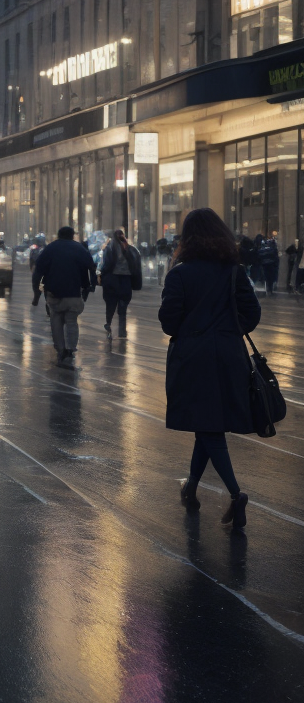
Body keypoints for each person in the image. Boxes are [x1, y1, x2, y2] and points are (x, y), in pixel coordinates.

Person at [159, 207, 261, 529]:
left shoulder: (180, 273)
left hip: (193, 358)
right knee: (207, 425)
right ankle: (191, 488)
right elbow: (252, 312)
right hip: (229, 357)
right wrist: (228, 332)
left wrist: (193, 331)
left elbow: (168, 321)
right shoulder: (234, 271)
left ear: (187, 237)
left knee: (209, 428)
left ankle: (235, 494)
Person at [31, 226, 97, 368]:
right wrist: (89, 287)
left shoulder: (50, 249)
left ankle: (60, 350)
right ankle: (70, 350)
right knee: (72, 321)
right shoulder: (80, 249)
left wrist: (36, 293)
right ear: (72, 235)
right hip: (74, 293)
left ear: (58, 235)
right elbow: (91, 267)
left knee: (56, 321)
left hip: (54, 294)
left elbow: (38, 272)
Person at [100, 229, 141, 340]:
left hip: (113, 280)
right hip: (126, 280)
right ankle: (122, 331)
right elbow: (135, 265)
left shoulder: (109, 248)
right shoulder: (130, 248)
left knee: (111, 304)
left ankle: (108, 324)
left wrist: (101, 274)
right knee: (123, 306)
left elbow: (107, 264)